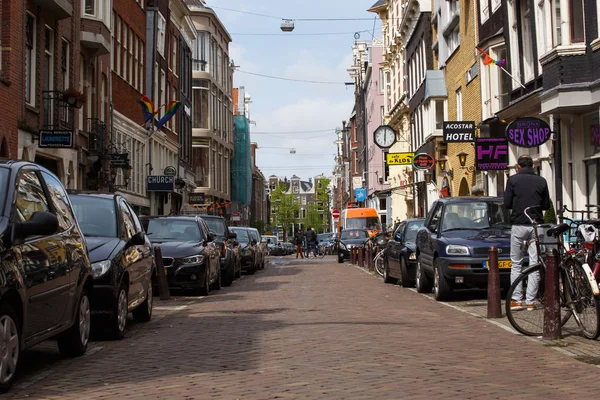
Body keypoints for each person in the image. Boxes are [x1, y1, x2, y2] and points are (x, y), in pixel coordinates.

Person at [504, 155, 550, 311]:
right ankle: (531, 301)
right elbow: (546, 205)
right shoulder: (541, 181)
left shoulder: (513, 180)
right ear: (533, 165)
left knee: (516, 263)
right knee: (535, 262)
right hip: (536, 225)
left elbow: (507, 203)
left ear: (518, 166)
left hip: (518, 224)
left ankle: (516, 300)